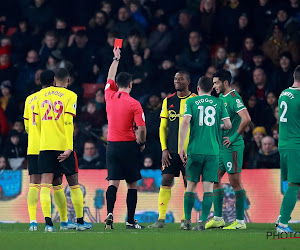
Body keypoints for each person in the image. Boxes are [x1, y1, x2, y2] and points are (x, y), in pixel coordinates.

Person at [33, 68, 92, 232]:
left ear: (53, 80)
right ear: (68, 80)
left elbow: (36, 123)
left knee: (45, 185)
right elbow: (68, 123)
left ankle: (48, 225)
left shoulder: (40, 96)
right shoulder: (71, 96)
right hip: (63, 147)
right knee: (74, 185)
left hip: (45, 146)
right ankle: (80, 222)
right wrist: (69, 147)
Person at [23, 69, 76, 231]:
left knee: (34, 184)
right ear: (54, 81)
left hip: (33, 146)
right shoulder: (53, 97)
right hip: (50, 145)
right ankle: (65, 221)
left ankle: (33, 222)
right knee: (57, 183)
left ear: (39, 81)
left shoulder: (30, 99)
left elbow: (27, 126)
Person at [179, 76, 231, 230]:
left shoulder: (191, 101)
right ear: (212, 89)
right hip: (213, 152)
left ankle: (186, 222)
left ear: (198, 88)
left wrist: (181, 146)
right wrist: (217, 126)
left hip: (195, 150)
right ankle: (202, 223)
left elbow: (185, 122)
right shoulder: (219, 102)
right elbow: (227, 124)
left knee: (191, 186)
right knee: (208, 188)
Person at [148, 71, 197, 229]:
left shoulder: (195, 100)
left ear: (188, 81)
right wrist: (164, 149)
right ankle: (161, 219)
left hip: (189, 152)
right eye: (175, 79)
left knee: (188, 184)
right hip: (171, 151)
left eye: (181, 79)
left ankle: (186, 220)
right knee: (165, 180)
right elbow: (163, 127)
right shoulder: (168, 100)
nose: (177, 81)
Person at [104, 47, 146, 230]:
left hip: (111, 145)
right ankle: (130, 221)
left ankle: (109, 214)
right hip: (129, 145)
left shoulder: (109, 96)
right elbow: (142, 128)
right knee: (132, 184)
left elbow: (109, 77)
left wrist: (116, 58)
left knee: (113, 181)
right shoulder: (135, 103)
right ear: (130, 84)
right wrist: (142, 143)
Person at [206, 69, 251, 230]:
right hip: (221, 146)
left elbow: (246, 118)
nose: (214, 86)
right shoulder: (220, 97)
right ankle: (218, 218)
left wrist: (233, 137)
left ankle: (240, 221)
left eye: (216, 82)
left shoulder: (234, 98)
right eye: (213, 83)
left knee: (234, 182)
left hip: (232, 146)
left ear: (225, 82)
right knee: (215, 179)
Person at [276, 65, 300, 233]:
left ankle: (282, 217)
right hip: (295, 144)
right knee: (294, 183)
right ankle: (283, 224)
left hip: (284, 143)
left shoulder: (283, 93)